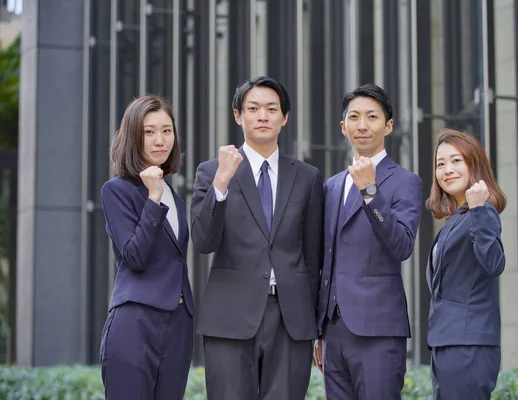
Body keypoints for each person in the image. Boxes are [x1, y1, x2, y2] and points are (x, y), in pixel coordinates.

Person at [190, 76, 324, 400]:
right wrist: (222, 181)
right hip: (230, 316)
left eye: (271, 108)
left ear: (285, 117)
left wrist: (318, 328)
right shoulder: (212, 171)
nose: (263, 115)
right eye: (253, 108)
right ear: (238, 115)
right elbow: (203, 241)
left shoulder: (307, 177)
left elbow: (314, 256)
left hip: (291, 319)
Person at [313, 83, 423, 399]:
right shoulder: (332, 186)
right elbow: (326, 257)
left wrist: (370, 192)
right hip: (334, 330)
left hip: (378, 330)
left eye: (372, 117)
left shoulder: (405, 181)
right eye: (355, 117)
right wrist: (320, 331)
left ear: (388, 125)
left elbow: (401, 245)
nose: (363, 125)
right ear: (343, 126)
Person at [99, 95, 194, 399]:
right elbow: (135, 256)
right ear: (133, 137)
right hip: (135, 323)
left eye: (167, 130)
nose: (160, 140)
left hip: (178, 325)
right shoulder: (117, 191)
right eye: (149, 131)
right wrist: (152, 198)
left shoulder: (175, 198)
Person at [425, 128, 507, 399]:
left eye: (456, 160)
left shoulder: (482, 213)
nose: (447, 169)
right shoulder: (457, 219)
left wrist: (480, 209)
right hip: (447, 342)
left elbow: (493, 264)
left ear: (474, 164)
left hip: (468, 342)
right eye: (440, 163)